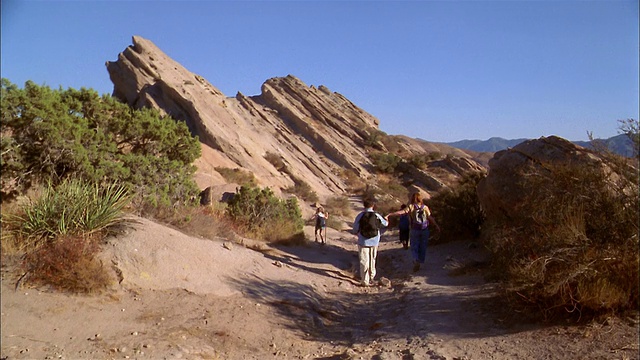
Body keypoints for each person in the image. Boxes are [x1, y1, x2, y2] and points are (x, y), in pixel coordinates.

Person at [386, 192, 441, 272]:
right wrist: (436, 225)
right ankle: (420, 260)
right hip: (424, 229)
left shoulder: (411, 207)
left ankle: (416, 260)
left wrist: (391, 214)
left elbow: (402, 212)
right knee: (423, 246)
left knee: (414, 246)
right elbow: (430, 217)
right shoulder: (425, 207)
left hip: (415, 229)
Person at [352, 197, 388, 286]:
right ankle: (372, 277)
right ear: (373, 206)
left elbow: (355, 228)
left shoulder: (360, 215)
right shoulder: (376, 215)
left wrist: (357, 233)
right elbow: (385, 224)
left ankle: (365, 280)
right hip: (375, 240)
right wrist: (386, 220)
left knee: (364, 260)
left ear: (364, 206)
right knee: (372, 259)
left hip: (363, 241)